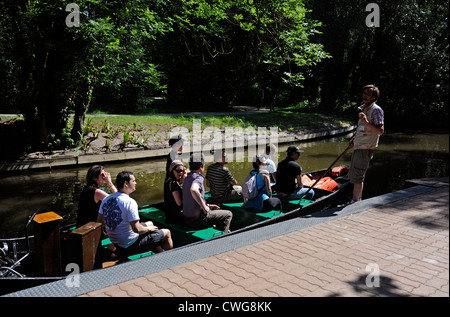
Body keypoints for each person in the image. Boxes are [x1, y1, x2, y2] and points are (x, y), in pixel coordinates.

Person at [98, 171, 173, 256]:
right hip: (129, 245)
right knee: (167, 232)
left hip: (116, 242)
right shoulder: (130, 202)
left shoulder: (106, 199)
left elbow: (100, 220)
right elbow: (137, 229)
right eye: (133, 181)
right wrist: (149, 229)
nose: (135, 183)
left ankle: (160, 252)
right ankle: (169, 256)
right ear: (126, 183)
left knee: (150, 223)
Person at [348, 84, 384, 203]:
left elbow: (380, 131)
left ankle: (355, 202)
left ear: (374, 97)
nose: (365, 96)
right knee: (355, 175)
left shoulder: (376, 110)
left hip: (366, 148)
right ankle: (357, 200)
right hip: (359, 146)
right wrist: (354, 138)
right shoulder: (363, 108)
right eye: (364, 93)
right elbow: (362, 128)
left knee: (358, 176)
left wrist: (366, 122)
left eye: (368, 94)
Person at [182, 153, 233, 233]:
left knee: (216, 214)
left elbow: (191, 198)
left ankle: (215, 228)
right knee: (228, 214)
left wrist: (208, 205)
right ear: (201, 167)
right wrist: (204, 207)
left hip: (186, 219)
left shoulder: (186, 178)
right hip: (197, 221)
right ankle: (222, 238)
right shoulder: (198, 177)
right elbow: (194, 190)